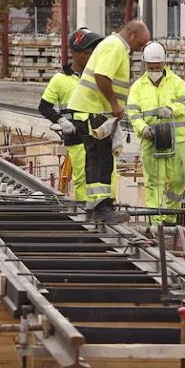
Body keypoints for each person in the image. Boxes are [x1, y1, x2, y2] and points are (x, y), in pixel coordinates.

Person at [66, 20, 151, 220]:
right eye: (140, 44)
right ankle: (102, 208)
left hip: (91, 110)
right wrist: (114, 104)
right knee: (100, 158)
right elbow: (102, 76)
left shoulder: (112, 45)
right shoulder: (116, 47)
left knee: (96, 157)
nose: (139, 50)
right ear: (131, 35)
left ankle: (95, 205)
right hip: (93, 110)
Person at [126, 41, 185, 225]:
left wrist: (172, 109)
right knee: (153, 183)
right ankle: (155, 222)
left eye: (158, 66)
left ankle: (170, 218)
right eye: (151, 67)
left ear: (164, 63)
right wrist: (143, 128)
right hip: (150, 140)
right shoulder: (138, 87)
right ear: (145, 64)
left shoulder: (176, 82)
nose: (155, 70)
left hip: (176, 140)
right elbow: (133, 113)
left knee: (178, 180)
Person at [40, 28, 104, 201]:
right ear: (75, 53)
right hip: (76, 135)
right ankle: (85, 208)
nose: (93, 57)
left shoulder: (96, 77)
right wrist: (61, 121)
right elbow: (44, 107)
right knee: (83, 176)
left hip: (98, 133)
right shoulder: (60, 80)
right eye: (89, 53)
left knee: (102, 175)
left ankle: (101, 208)